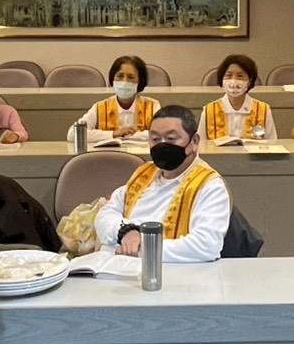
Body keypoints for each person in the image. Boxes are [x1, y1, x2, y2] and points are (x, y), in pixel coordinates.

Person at [93, 105, 231, 264]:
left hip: (167, 269)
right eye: (155, 139)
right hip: (115, 263)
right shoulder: (144, 173)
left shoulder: (209, 185)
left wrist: (142, 249)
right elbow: (105, 214)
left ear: (194, 141)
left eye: (171, 139)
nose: (162, 145)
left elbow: (206, 245)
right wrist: (127, 231)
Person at [65, 55, 162, 143]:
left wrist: (129, 136)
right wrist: (114, 134)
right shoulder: (100, 107)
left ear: (140, 81)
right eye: (120, 76)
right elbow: (73, 134)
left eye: (131, 77)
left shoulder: (152, 106)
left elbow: (161, 134)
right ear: (112, 79)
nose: (124, 82)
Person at [198, 54, 277, 142]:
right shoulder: (209, 110)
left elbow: (272, 143)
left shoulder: (263, 110)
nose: (233, 80)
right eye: (228, 75)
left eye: (240, 76)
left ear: (249, 81)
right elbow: (200, 145)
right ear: (222, 80)